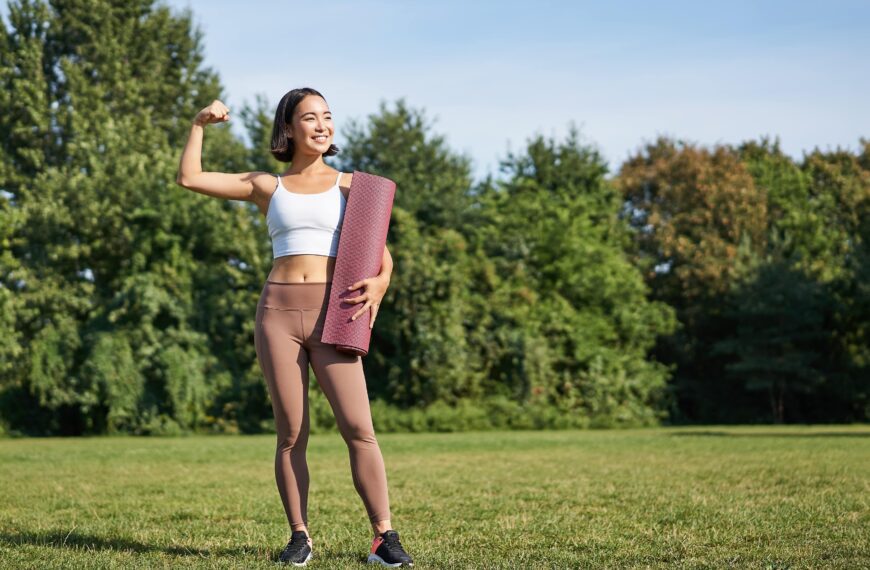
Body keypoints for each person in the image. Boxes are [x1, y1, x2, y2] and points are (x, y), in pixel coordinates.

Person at [175, 87, 414, 567]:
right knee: (291, 433)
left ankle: (383, 537)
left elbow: (380, 255)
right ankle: (299, 536)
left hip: (335, 311)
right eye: (310, 117)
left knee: (359, 428)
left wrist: (382, 284)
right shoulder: (267, 185)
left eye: (327, 116)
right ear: (288, 128)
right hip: (277, 316)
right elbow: (190, 178)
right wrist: (199, 125)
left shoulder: (354, 187)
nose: (322, 125)